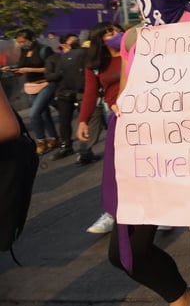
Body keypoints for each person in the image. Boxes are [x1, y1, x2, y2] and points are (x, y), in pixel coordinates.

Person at [103, 0, 190, 306]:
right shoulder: (132, 37)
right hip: (144, 154)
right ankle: (186, 299)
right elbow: (127, 93)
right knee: (125, 252)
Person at [76, 22, 124, 233]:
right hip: (116, 116)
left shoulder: (136, 53)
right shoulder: (95, 64)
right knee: (115, 167)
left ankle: (158, 213)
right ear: (99, 40)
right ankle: (111, 212)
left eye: (116, 30)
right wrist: (83, 120)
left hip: (144, 113)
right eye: (108, 33)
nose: (114, 34)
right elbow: (90, 93)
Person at [3, 30, 57, 155]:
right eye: (19, 43)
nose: (22, 44)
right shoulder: (24, 51)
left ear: (32, 38)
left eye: (23, 41)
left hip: (45, 84)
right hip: (31, 86)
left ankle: (40, 141)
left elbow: (51, 68)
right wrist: (13, 69)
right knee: (44, 113)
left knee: (34, 113)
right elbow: (22, 65)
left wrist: (29, 69)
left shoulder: (45, 49)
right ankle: (54, 138)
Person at [44, 33, 86, 160]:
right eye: (71, 43)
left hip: (80, 92)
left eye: (76, 42)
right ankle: (66, 146)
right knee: (64, 121)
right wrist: (62, 70)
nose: (75, 45)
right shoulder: (54, 59)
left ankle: (85, 149)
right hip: (63, 93)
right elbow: (49, 76)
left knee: (84, 121)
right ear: (63, 45)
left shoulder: (81, 55)